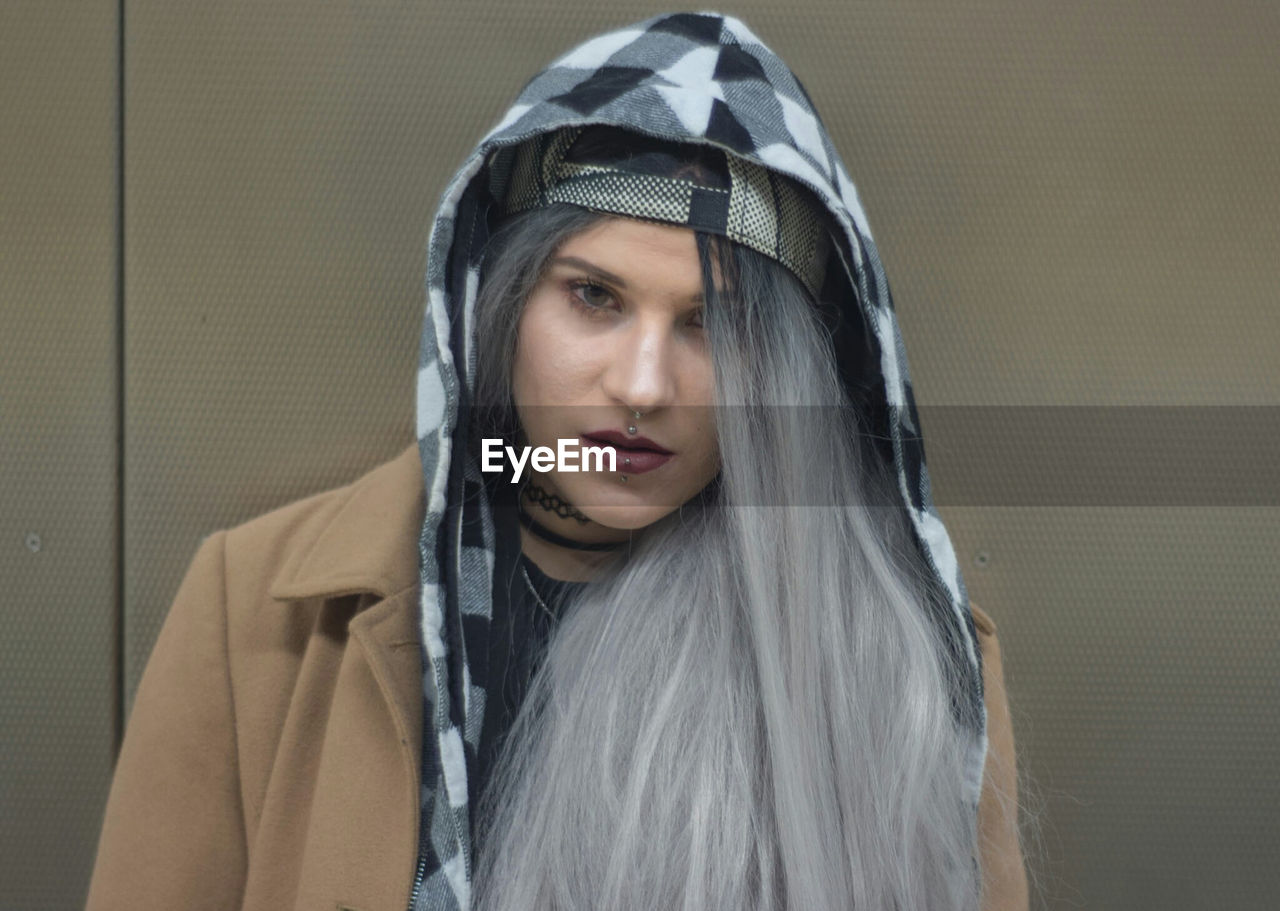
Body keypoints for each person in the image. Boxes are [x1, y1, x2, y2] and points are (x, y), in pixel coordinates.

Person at [86, 11, 1029, 911]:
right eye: (594, 296)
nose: (643, 382)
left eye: (715, 323)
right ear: (501, 304)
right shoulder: (254, 608)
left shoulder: (912, 663)